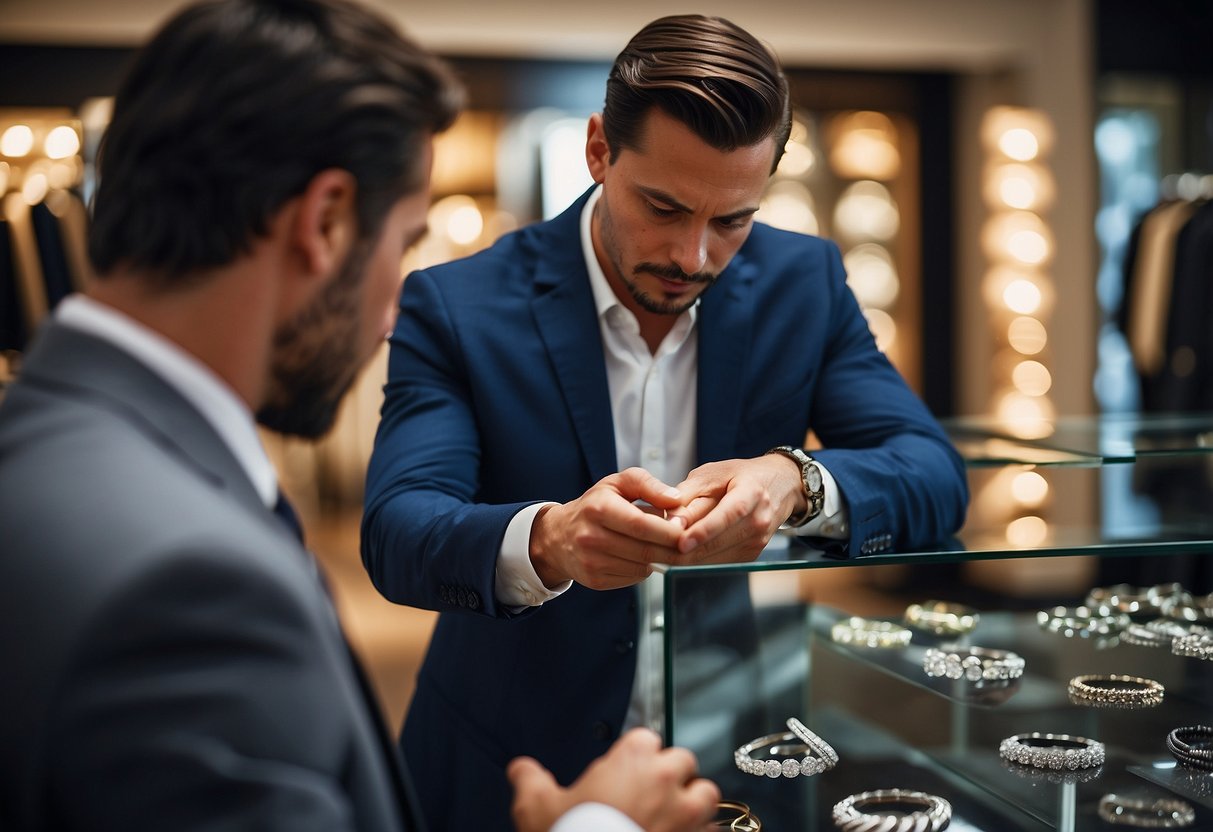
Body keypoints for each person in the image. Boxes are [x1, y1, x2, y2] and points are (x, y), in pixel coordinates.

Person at [0, 1, 721, 830]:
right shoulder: (183, 585)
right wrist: (598, 826)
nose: (389, 315)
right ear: (325, 222)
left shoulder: (44, 446)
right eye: (404, 241)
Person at [362, 12, 970, 831]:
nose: (693, 257)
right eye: (663, 206)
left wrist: (794, 480)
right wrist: (548, 540)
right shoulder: (456, 304)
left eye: (731, 220)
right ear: (597, 151)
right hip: (509, 765)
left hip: (734, 752)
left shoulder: (806, 283)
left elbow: (932, 474)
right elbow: (399, 528)